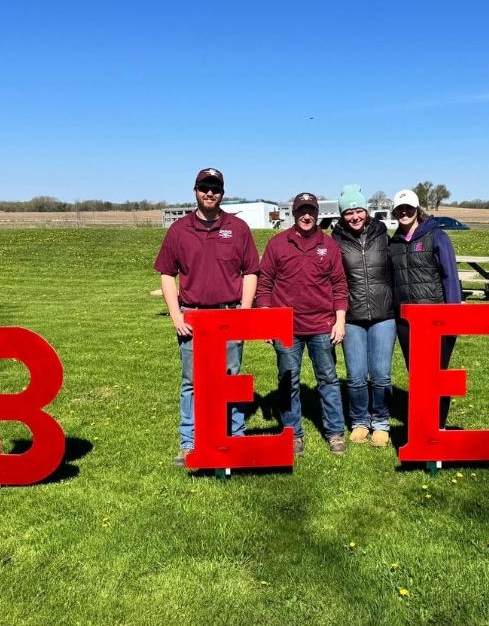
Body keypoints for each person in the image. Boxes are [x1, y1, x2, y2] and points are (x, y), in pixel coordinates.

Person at [154, 167, 260, 466]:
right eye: (204, 187)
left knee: (231, 378)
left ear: (222, 193)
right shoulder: (179, 230)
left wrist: (245, 311)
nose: (209, 193)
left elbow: (251, 271)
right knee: (191, 382)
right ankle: (190, 441)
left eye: (215, 188)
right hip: (194, 317)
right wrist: (177, 316)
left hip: (229, 315)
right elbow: (166, 274)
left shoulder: (237, 228)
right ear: (195, 191)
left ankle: (234, 436)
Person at [257, 192, 349, 455]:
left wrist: (339, 320)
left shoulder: (329, 246)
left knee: (328, 380)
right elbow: (264, 285)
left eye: (311, 211)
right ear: (294, 214)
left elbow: (340, 286)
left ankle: (334, 432)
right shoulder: (277, 244)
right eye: (301, 211)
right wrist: (266, 319)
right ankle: (293, 434)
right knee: (288, 381)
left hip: (322, 325)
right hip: (286, 327)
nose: (306, 216)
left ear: (317, 215)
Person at [388, 188, 462, 427]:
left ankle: (437, 424)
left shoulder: (436, 236)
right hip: (407, 323)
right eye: (400, 209)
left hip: (436, 319)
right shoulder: (394, 243)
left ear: (417, 209)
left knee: (437, 376)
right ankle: (423, 423)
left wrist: (453, 317)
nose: (404, 212)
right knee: (418, 377)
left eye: (408, 208)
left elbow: (450, 277)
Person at [332, 184, 396, 447]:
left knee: (381, 373)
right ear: (342, 215)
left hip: (384, 314)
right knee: (356, 374)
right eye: (349, 212)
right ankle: (359, 420)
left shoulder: (383, 235)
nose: (355, 216)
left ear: (366, 211)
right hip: (353, 315)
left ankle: (381, 422)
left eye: (358, 210)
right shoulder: (335, 240)